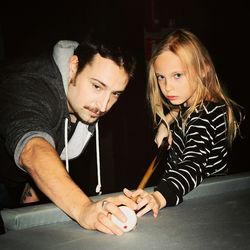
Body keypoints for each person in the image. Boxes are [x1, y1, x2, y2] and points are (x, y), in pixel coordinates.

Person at [0, 33, 139, 235]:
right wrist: (83, 208)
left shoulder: (83, 101)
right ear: (73, 66)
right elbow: (32, 149)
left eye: (115, 94)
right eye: (97, 86)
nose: (103, 106)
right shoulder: (32, 85)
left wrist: (32, 186)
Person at [124, 28, 244, 218]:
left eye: (177, 75)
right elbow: (181, 110)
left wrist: (159, 197)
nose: (167, 87)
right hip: (187, 198)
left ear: (203, 70)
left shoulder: (204, 115)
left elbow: (192, 164)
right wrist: (166, 123)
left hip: (203, 209)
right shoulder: (194, 105)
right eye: (161, 77)